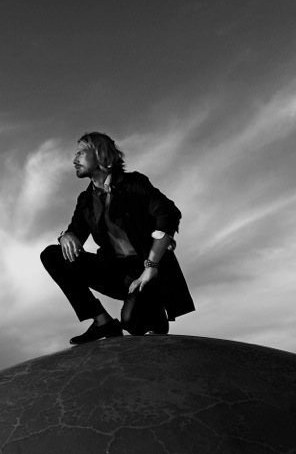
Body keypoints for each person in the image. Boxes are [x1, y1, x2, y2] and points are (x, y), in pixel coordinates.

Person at [41, 132, 194, 344]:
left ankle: (152, 312)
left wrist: (151, 266)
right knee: (52, 255)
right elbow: (75, 233)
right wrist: (65, 236)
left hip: (147, 271)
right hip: (115, 272)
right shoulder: (85, 200)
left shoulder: (134, 183)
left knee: (133, 323)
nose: (74, 160)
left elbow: (168, 214)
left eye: (81, 153)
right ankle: (101, 321)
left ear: (100, 154)